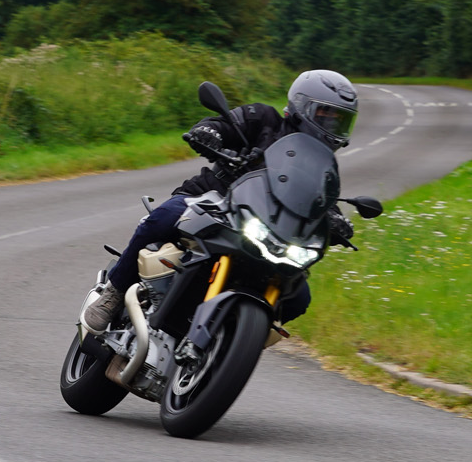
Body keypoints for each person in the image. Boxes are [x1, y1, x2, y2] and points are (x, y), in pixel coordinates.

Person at [82, 69, 359, 330]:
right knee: (163, 217)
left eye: (341, 119)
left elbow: (321, 199)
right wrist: (210, 132)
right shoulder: (264, 119)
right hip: (213, 201)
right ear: (301, 106)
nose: (333, 123)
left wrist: (334, 218)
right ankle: (114, 293)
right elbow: (225, 123)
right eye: (327, 113)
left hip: (270, 231)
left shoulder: (322, 165)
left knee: (299, 298)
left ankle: (229, 340)